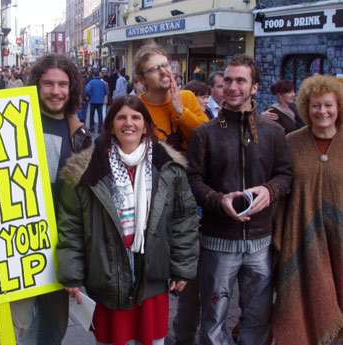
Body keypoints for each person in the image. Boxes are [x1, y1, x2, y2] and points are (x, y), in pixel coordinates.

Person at [57, 95, 200, 345]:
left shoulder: (167, 166)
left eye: (136, 117)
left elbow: (184, 219)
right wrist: (72, 274)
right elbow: (71, 226)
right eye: (121, 117)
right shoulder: (87, 169)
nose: (129, 123)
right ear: (111, 124)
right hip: (107, 275)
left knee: (152, 340)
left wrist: (182, 268)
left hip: (152, 275)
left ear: (146, 124)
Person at [187, 55, 292, 345]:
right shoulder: (204, 134)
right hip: (217, 241)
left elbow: (285, 175)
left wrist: (270, 190)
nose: (232, 87)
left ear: (255, 87)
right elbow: (193, 180)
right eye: (227, 81)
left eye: (241, 80)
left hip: (260, 242)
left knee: (257, 318)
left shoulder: (273, 132)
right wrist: (217, 199)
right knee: (213, 318)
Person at [10, 53, 91, 345]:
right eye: (48, 84)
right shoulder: (16, 122)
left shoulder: (80, 136)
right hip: (17, 244)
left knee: (54, 326)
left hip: (60, 246)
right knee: (20, 326)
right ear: (36, 85)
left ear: (71, 89)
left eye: (62, 84)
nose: (56, 91)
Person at [273, 75, 343, 345]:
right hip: (300, 236)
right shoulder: (291, 142)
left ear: (338, 106)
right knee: (303, 300)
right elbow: (282, 187)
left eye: (328, 105)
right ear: (305, 107)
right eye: (315, 105)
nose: (322, 111)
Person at [134, 44, 208, 151]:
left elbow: (206, 136)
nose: (164, 72)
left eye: (165, 65)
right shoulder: (136, 107)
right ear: (142, 79)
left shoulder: (187, 97)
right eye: (154, 69)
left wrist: (181, 112)